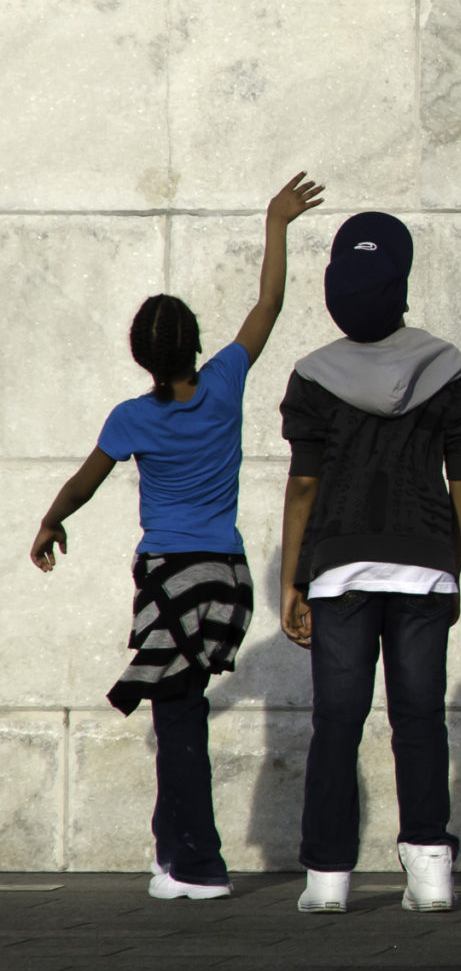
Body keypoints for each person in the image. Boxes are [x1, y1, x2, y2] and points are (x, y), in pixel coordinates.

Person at [30, 173, 324, 901]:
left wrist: (52, 520)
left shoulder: (131, 417)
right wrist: (276, 221)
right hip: (225, 575)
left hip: (169, 578)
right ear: (195, 344)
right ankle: (175, 855)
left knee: (181, 720)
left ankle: (197, 864)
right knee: (181, 713)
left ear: (140, 356)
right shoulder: (225, 382)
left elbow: (83, 484)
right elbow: (268, 305)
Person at [279, 211, 461, 915]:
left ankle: (328, 878)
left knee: (338, 722)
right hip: (425, 562)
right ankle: (429, 870)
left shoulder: (312, 376)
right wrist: (449, 560)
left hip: (338, 566)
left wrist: (292, 578)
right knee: (420, 718)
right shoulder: (450, 368)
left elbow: (304, 483)